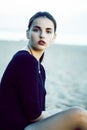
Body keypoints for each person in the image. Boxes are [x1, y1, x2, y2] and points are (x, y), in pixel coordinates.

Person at [0, 11, 87, 130]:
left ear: (54, 37)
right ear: (27, 33)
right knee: (79, 115)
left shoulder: (39, 67)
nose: (42, 35)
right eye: (36, 30)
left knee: (61, 111)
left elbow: (39, 110)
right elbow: (34, 116)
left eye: (48, 31)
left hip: (28, 124)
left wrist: (56, 113)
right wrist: (54, 114)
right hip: (18, 127)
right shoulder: (25, 60)